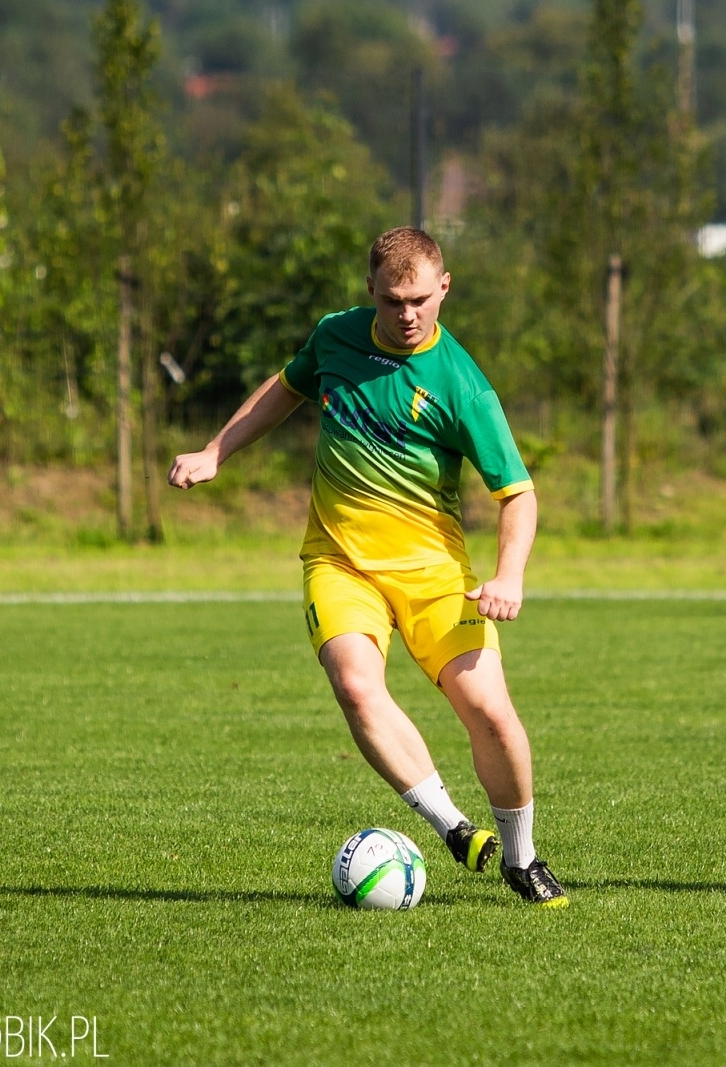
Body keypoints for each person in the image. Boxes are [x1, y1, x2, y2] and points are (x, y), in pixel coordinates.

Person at [168, 227, 569, 908]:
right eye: (392, 301)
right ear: (371, 294)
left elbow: (518, 494)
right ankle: (453, 828)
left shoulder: (461, 384)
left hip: (435, 574)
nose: (407, 314)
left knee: (491, 714)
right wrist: (217, 450)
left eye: (418, 299)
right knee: (355, 685)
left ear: (444, 288)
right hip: (340, 562)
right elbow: (284, 389)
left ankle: (522, 857)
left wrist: (510, 575)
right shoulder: (337, 336)